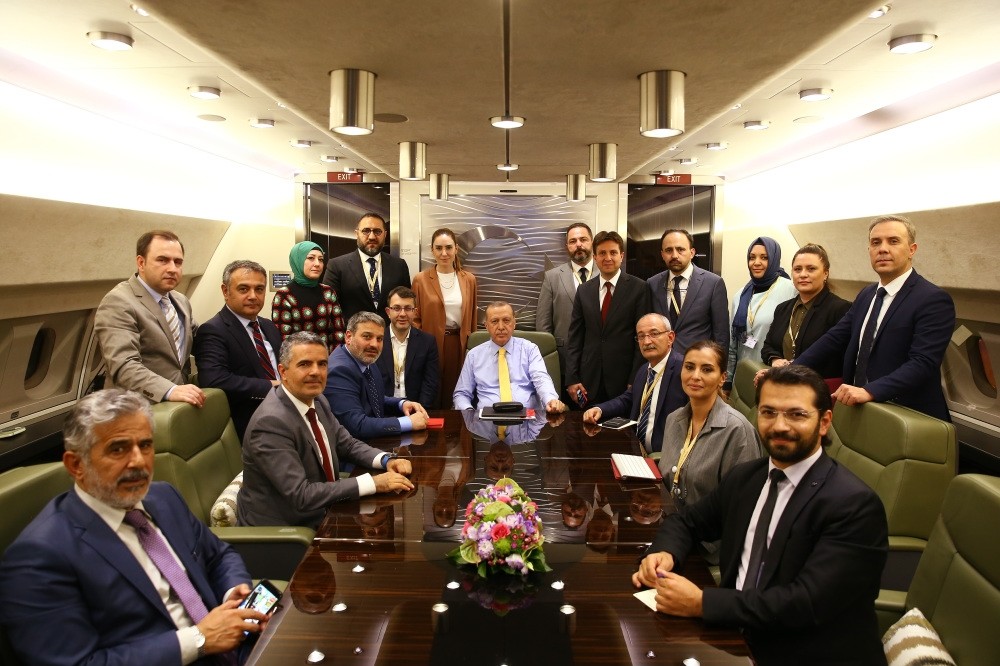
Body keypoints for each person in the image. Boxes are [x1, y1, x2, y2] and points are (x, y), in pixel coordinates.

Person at [632, 365, 888, 665]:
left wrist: (702, 603)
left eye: (796, 414)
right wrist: (664, 554)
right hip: (733, 638)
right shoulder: (747, 478)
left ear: (824, 422)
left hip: (803, 652)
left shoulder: (854, 505)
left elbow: (805, 604)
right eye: (768, 412)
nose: (779, 426)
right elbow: (687, 521)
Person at [0, 389, 268, 665]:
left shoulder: (164, 497)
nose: (139, 461)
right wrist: (198, 639)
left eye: (146, 445)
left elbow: (219, 556)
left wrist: (233, 590)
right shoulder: (39, 556)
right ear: (76, 465)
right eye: (118, 449)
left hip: (235, 646)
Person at [237, 332, 414, 528]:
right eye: (305, 364)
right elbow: (301, 495)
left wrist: (386, 459)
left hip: (325, 512)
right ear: (283, 372)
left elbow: (345, 443)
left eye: (322, 364)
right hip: (285, 532)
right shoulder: (270, 423)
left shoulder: (317, 399)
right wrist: (374, 483)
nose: (316, 372)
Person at [793, 215, 956, 420]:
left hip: (908, 415)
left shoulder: (932, 299)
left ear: (912, 250)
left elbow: (923, 363)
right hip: (862, 408)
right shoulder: (866, 295)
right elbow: (834, 338)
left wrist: (870, 391)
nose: (883, 249)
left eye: (893, 241)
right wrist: (792, 369)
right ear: (869, 250)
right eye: (875, 242)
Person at [95, 230, 205, 407]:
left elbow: (202, 342)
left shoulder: (180, 301)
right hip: (134, 410)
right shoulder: (119, 301)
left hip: (177, 406)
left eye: (178, 262)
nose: (172, 268)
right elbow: (124, 366)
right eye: (162, 260)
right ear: (141, 262)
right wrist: (170, 390)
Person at [658, 341, 762, 512]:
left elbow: (743, 507)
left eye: (707, 369)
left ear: (722, 378)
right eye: (689, 367)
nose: (695, 376)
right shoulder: (673, 419)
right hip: (671, 521)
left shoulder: (738, 431)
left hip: (708, 536)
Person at [194, 259, 282, 440]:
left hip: (287, 412)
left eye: (259, 289)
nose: (253, 296)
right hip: (252, 425)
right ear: (225, 291)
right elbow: (214, 379)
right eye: (243, 289)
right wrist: (272, 386)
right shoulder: (213, 330)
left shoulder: (269, 326)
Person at [565, 230, 653, 405]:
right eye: (602, 253)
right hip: (588, 380)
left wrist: (636, 378)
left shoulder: (639, 288)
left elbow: (643, 339)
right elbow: (575, 338)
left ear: (621, 256)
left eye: (613, 253)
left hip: (624, 381)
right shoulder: (584, 290)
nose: (608, 258)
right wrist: (572, 378)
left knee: (621, 431)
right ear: (595, 257)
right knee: (587, 429)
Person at [582, 313, 686, 453]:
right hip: (636, 452)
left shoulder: (684, 369)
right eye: (641, 336)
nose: (647, 342)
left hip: (666, 459)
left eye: (654, 334)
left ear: (670, 337)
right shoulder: (644, 370)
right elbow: (627, 399)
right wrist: (599, 409)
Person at [324, 311, 429, 439]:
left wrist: (401, 404)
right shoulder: (339, 371)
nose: (374, 344)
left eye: (379, 339)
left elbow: (373, 399)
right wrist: (407, 423)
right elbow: (357, 425)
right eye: (367, 337)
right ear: (348, 337)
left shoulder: (366, 359)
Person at [454, 301, 566, 413]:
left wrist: (550, 400)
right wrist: (469, 413)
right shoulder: (474, 355)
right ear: (486, 326)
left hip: (527, 420)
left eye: (506, 320)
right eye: (494, 321)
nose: (501, 327)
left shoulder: (530, 349)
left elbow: (541, 379)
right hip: (486, 421)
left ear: (514, 324)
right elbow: (461, 394)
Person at [759, 244, 851, 380]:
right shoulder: (782, 309)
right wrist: (775, 360)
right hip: (783, 383)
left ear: (826, 273)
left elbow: (833, 357)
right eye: (797, 269)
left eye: (811, 269)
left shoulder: (841, 309)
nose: (803, 274)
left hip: (816, 389)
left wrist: (792, 367)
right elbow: (768, 346)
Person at [411, 227, 478, 407]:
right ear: (432, 250)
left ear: (456, 249)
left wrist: (471, 344)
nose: (444, 253)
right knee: (432, 390)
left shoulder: (469, 279)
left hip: (459, 344)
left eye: (448, 247)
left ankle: (457, 432)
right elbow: (415, 318)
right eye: (439, 248)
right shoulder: (421, 279)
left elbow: (472, 316)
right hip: (430, 343)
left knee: (458, 392)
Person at [725, 236, 797, 391]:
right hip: (743, 374)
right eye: (752, 258)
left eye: (764, 257)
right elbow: (733, 344)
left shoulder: (791, 290)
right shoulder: (740, 295)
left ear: (774, 259)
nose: (756, 262)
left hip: (773, 375)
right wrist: (728, 380)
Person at [648, 229, 729, 355]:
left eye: (680, 249)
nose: (674, 255)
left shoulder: (713, 283)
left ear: (692, 252)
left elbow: (721, 335)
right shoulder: (652, 284)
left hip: (698, 363)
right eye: (669, 250)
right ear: (662, 254)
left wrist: (719, 368)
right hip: (663, 361)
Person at [536, 223, 596, 389]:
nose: (578, 244)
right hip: (563, 361)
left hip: (599, 360)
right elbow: (543, 324)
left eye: (583, 239)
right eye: (573, 241)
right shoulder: (552, 277)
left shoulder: (606, 275)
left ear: (592, 242)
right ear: (567, 246)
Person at [321, 212, 412, 324]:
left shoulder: (399, 265)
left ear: (385, 234)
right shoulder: (337, 265)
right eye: (366, 231)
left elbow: (407, 302)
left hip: (390, 335)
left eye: (377, 231)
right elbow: (329, 307)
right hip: (354, 336)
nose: (372, 236)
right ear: (356, 234)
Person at [271, 240, 346, 350]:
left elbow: (338, 332)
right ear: (298, 261)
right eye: (311, 258)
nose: (317, 264)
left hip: (327, 360)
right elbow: (283, 338)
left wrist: (333, 361)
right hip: (297, 360)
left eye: (321, 259)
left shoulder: (328, 292)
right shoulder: (285, 295)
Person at [375, 286, 441, 408]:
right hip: (382, 410)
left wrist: (420, 410)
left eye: (408, 308)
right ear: (388, 312)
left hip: (415, 409)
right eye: (397, 308)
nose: (403, 314)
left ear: (415, 312)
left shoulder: (427, 342)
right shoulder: (376, 341)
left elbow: (430, 383)